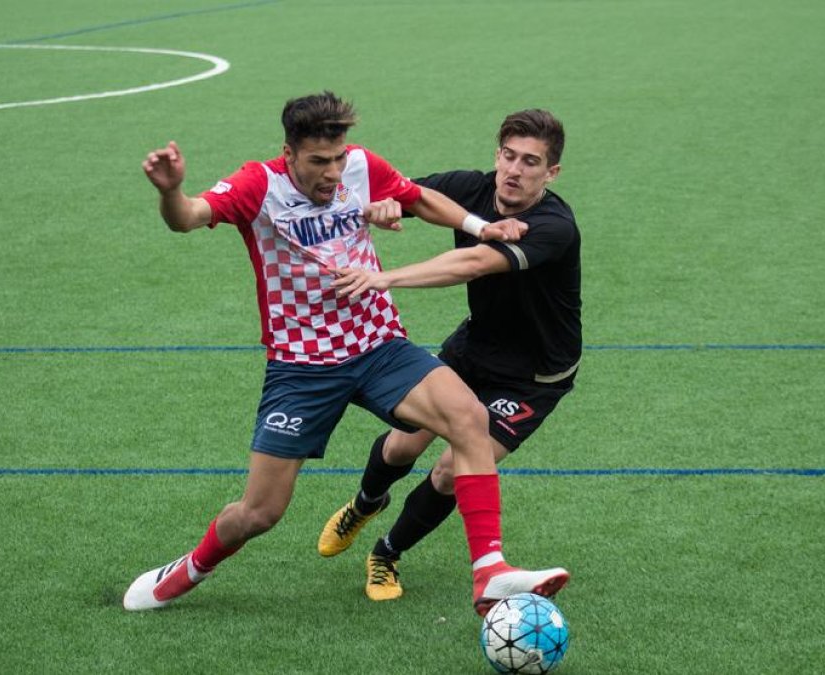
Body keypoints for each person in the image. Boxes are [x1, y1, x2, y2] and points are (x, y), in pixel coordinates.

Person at [123, 92, 568, 616]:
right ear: (288, 154)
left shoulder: (361, 164)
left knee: (468, 418)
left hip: (378, 346)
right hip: (302, 366)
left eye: (338, 159)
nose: (333, 173)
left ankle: (489, 571)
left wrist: (479, 227)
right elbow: (188, 217)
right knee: (260, 513)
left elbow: (417, 197)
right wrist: (172, 192)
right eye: (318, 162)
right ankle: (191, 567)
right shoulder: (257, 184)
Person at [317, 109, 580, 604]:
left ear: (551, 173)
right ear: (496, 155)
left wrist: (385, 277)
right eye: (508, 156)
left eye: (531, 162)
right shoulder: (470, 188)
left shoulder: (553, 226)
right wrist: (385, 206)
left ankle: (386, 553)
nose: (515, 171)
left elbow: (475, 262)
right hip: (474, 346)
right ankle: (364, 503)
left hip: (532, 378)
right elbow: (399, 193)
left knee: (448, 471)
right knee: (399, 447)